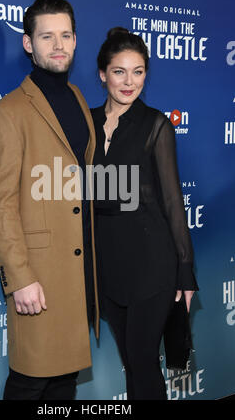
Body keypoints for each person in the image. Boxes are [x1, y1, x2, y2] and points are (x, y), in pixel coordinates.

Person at [0, 0, 99, 400]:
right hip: (39, 273)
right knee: (31, 381)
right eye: (47, 36)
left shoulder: (80, 99)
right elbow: (0, 202)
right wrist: (20, 278)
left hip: (78, 270)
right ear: (28, 44)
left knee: (64, 381)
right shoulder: (9, 112)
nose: (59, 45)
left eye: (66, 35)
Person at [91, 27, 198, 400]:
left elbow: (172, 201)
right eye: (119, 71)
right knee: (132, 362)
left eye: (138, 72)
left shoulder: (156, 125)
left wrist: (185, 272)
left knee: (142, 358)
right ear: (103, 74)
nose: (129, 81)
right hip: (108, 265)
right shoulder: (83, 125)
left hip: (153, 264)